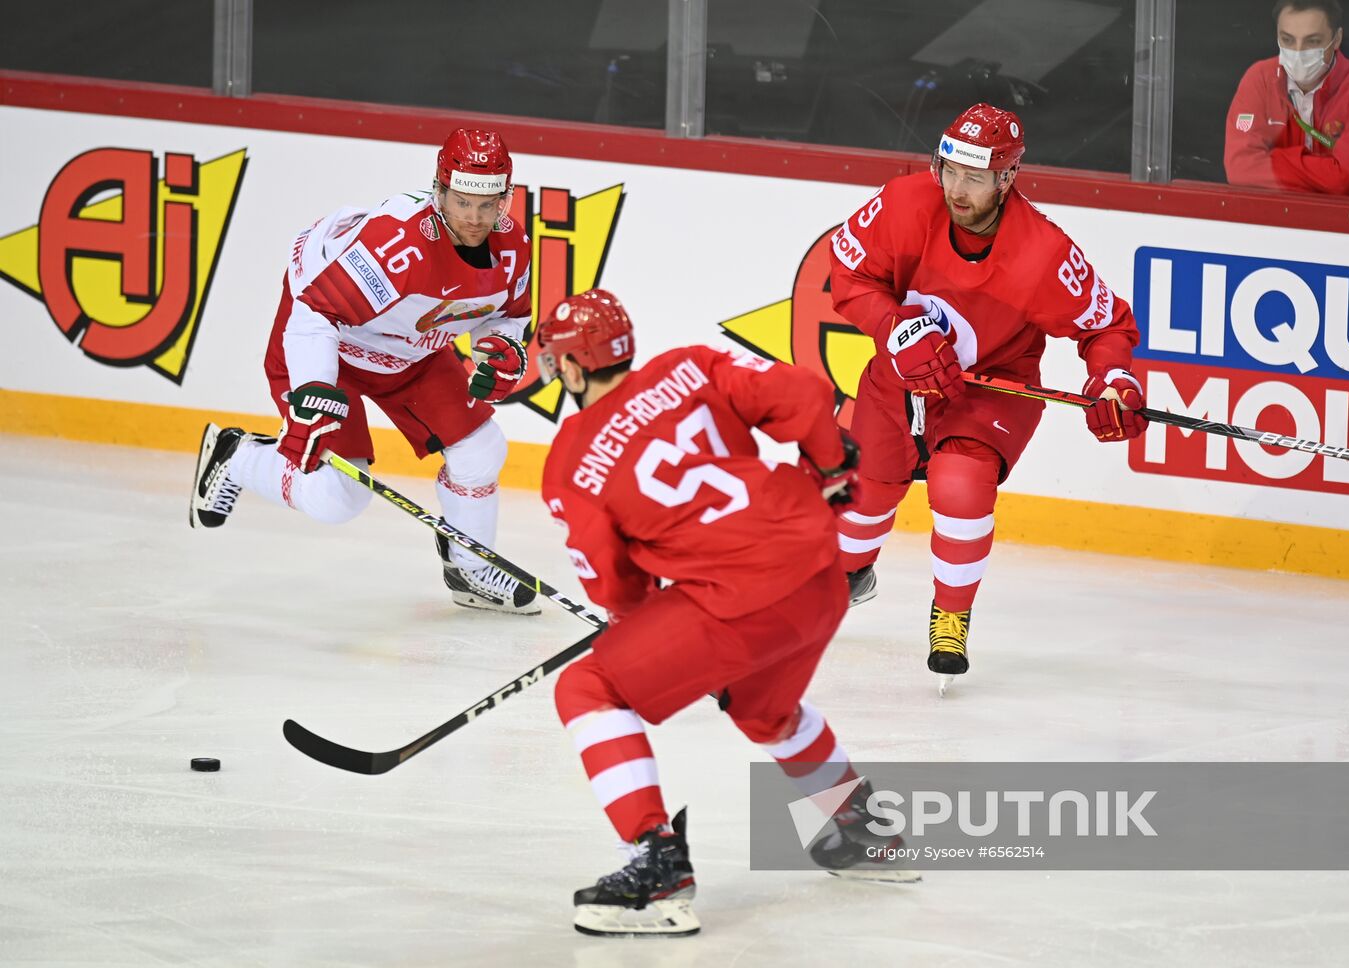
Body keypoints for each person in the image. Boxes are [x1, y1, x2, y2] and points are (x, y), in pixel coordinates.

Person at [536, 289, 917, 938]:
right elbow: (800, 391)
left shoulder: (571, 462)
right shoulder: (686, 367)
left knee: (587, 686)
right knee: (765, 712)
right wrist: (828, 467)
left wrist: (652, 628)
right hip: (821, 571)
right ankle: (860, 828)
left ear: (572, 368)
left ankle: (656, 867)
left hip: (739, 599)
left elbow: (622, 593)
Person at [828, 103, 1147, 691]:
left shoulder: (1043, 256)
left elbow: (1107, 327)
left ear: (1007, 178)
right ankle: (849, 574)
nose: (956, 188)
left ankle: (950, 613)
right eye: (950, 169)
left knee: (960, 485)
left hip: (992, 387)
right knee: (865, 494)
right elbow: (848, 277)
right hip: (901, 376)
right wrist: (894, 327)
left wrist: (1112, 380)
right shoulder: (904, 204)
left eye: (975, 177)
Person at [188, 129, 541, 614]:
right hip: (332, 346)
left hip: (412, 351)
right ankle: (237, 456)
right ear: (440, 191)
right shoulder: (397, 246)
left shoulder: (513, 244)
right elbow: (314, 314)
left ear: (505, 197)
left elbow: (508, 313)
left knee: (481, 449)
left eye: (488, 204)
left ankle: (471, 567)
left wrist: (501, 347)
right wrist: (312, 387)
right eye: (462, 202)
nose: (475, 219)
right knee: (340, 499)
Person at [1225, 0, 1349, 198]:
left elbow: (1343, 180)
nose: (1298, 52)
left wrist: (1270, 160)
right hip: (1282, 215)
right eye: (1288, 40)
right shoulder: (1260, 78)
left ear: (1337, 40)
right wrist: (1326, 169)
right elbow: (1238, 168)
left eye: (1313, 41)